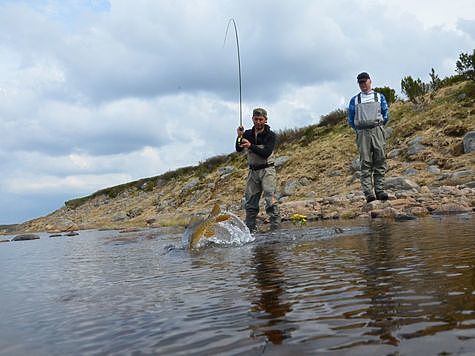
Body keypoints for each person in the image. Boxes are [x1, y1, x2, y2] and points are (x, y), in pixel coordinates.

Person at [236, 108, 281, 232]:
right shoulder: (248, 134)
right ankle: (250, 231)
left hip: (267, 170)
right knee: (250, 203)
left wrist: (251, 146)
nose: (258, 122)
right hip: (253, 172)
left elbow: (266, 153)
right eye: (256, 119)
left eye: (261, 119)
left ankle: (276, 230)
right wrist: (239, 136)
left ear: (266, 120)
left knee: (270, 199)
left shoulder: (270, 135)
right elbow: (238, 148)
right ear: (252, 119)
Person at [348, 72, 389, 203]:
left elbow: (385, 113)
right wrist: (359, 129)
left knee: (380, 159)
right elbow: (350, 119)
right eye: (360, 83)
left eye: (364, 81)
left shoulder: (379, 97)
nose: (363, 84)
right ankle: (368, 194)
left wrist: (379, 126)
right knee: (365, 162)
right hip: (362, 133)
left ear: (370, 81)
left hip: (377, 130)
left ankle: (380, 191)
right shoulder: (354, 100)